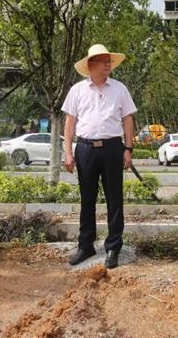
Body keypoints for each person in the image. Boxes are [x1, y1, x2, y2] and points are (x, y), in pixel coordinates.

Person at [62, 44, 137, 269]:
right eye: (103, 60)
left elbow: (127, 119)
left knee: (115, 198)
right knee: (87, 198)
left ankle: (113, 246)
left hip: (113, 147)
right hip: (85, 148)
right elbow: (70, 122)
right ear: (90, 64)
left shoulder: (119, 89)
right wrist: (68, 152)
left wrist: (128, 148)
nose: (107, 64)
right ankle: (86, 245)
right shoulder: (77, 90)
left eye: (109, 60)